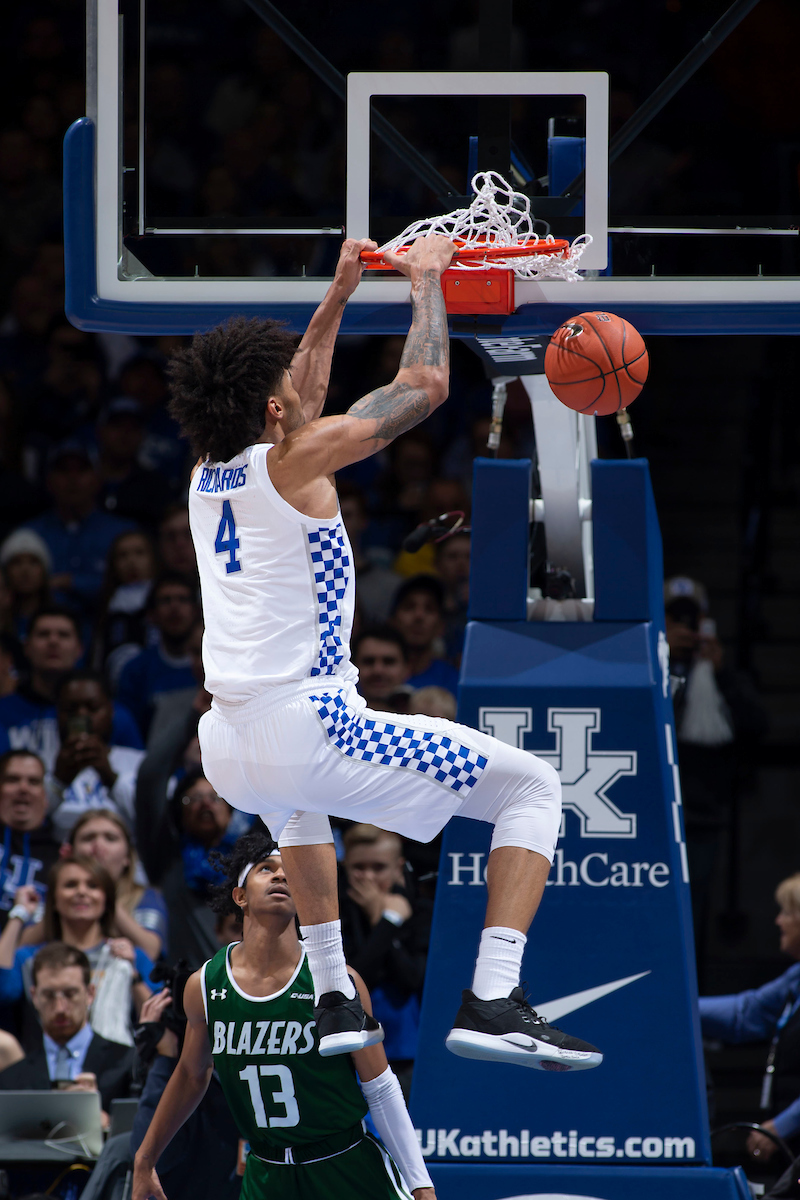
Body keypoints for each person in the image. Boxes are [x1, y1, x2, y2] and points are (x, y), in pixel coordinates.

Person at [169, 234, 601, 1070]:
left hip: (229, 747)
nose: (295, 390)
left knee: (298, 805)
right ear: (272, 411)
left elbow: (304, 386)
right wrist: (426, 282)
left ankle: (332, 995)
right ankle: (494, 997)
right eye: (282, 389)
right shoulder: (295, 460)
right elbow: (426, 385)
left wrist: (336, 296)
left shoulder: (207, 470)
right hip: (309, 718)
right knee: (532, 788)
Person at [132, 830, 435, 1200]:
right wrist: (145, 1159)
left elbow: (381, 1087)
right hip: (266, 1172)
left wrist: (420, 1184)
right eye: (265, 869)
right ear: (239, 896)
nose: (280, 876)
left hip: (344, 1163)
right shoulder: (205, 985)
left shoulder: (337, 978)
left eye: (290, 872)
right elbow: (192, 1073)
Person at [0, 856, 155, 1045]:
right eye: (71, 885)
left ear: (107, 899)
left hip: (114, 1068)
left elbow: (158, 1021)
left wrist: (133, 974)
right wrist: (19, 913)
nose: (81, 892)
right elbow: (4, 990)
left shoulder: (132, 956)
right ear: (54, 900)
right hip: (42, 1065)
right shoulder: (30, 957)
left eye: (92, 886)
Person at [700, 873, 800, 1162]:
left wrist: (783, 1126)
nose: (778, 921)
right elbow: (747, 1014)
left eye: (787, 912)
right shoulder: (796, 979)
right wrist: (675, 1006)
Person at [341, 824, 431, 1098]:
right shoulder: (335, 915)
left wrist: (384, 923)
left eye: (378, 867)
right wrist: (388, 922)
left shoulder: (421, 912)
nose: (368, 877)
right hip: (348, 1052)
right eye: (359, 867)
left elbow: (413, 978)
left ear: (398, 867)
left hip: (405, 1053)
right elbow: (353, 980)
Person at [135, 766, 248, 969]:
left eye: (215, 797)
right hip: (184, 988)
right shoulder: (165, 858)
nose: (205, 803)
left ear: (231, 811)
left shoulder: (250, 859)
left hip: (240, 985)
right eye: (194, 798)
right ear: (181, 813)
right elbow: (150, 778)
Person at [0, 606, 143, 765]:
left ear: (80, 649)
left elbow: (134, 770)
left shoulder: (114, 715)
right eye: (43, 634)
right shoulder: (2, 711)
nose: (53, 641)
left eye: (63, 635)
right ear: (26, 646)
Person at [0, 942, 134, 1110]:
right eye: (48, 995)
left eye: (70, 994)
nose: (60, 1008)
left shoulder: (128, 1064)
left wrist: (106, 1123)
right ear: (34, 997)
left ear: (90, 993)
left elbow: (139, 1128)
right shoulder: (9, 1080)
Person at [21, 809, 168, 962]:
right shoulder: (53, 894)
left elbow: (151, 951)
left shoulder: (146, 896)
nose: (98, 846)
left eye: (110, 838)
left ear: (127, 857)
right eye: (88, 838)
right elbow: (20, 948)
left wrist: (103, 895)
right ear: (71, 852)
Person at [22, 440, 135, 620]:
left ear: (97, 479)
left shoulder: (123, 533)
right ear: (49, 481)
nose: (72, 479)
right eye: (63, 470)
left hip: (110, 627)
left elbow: (136, 585)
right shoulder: (27, 536)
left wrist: (71, 583)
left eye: (81, 470)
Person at [49, 670, 144, 838]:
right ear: (57, 713)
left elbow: (158, 820)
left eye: (92, 708)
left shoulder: (140, 763)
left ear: (111, 710)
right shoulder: (38, 765)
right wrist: (57, 781)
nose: (81, 716)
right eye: (71, 709)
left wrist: (111, 778)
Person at [115, 573, 198, 741]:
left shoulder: (216, 665)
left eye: (182, 599)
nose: (174, 607)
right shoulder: (135, 671)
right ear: (151, 615)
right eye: (166, 601)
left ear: (196, 611)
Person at [91, 528, 157, 686]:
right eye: (123, 556)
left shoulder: (166, 598)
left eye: (139, 553)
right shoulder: (107, 605)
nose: (131, 562)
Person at [0, 749, 59, 924]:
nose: (23, 788)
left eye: (33, 782)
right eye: (13, 780)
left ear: (45, 797)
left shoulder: (60, 857)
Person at [390, 575, 459, 693]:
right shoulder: (374, 674)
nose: (419, 616)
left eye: (429, 609)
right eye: (409, 607)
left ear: (441, 626)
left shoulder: (452, 680)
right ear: (392, 621)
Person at [0, 527, 52, 641]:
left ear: (44, 570)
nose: (25, 570)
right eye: (16, 562)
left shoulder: (59, 620)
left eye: (33, 562)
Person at [351, 627, 413, 713]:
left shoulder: (426, 716)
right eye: (368, 662)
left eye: (388, 662)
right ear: (352, 667)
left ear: (407, 668)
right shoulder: (337, 716)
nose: (378, 670)